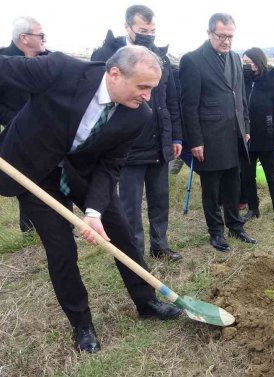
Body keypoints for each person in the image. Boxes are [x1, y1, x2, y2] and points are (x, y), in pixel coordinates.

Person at [0, 46, 183, 353]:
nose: (147, 96)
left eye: (152, 89)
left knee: (122, 234)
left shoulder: (139, 115)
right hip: (32, 172)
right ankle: (82, 324)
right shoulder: (61, 70)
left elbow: (110, 165)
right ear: (115, 74)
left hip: (82, 175)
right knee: (61, 250)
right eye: (143, 87)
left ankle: (147, 302)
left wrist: (95, 211)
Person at [91, 5, 183, 262]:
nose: (148, 36)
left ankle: (160, 245)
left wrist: (175, 136)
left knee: (160, 200)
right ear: (127, 27)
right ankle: (134, 255)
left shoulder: (159, 59)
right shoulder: (108, 55)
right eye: (143, 30)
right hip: (127, 146)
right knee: (129, 206)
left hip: (159, 141)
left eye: (152, 31)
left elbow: (171, 99)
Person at [180, 13, 257, 251]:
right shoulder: (192, 60)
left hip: (234, 135)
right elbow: (189, 106)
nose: (226, 40)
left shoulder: (235, 58)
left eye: (230, 36)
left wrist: (245, 127)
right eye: (221, 35)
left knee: (234, 184)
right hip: (209, 137)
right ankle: (216, 232)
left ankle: (235, 225)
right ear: (209, 33)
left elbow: (240, 97)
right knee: (211, 189)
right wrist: (195, 141)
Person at [0, 16, 51, 233]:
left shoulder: (48, 59)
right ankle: (29, 226)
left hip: (49, 130)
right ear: (24, 38)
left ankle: (65, 223)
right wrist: (15, 121)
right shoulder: (4, 61)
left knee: (54, 173)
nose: (44, 39)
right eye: (40, 35)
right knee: (25, 176)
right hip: (18, 133)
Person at [239, 47, 274, 226]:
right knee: (247, 175)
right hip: (247, 138)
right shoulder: (241, 81)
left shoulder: (272, 81)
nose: (248, 67)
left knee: (273, 176)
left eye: (250, 63)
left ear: (258, 61)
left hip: (268, 137)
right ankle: (253, 207)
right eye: (244, 63)